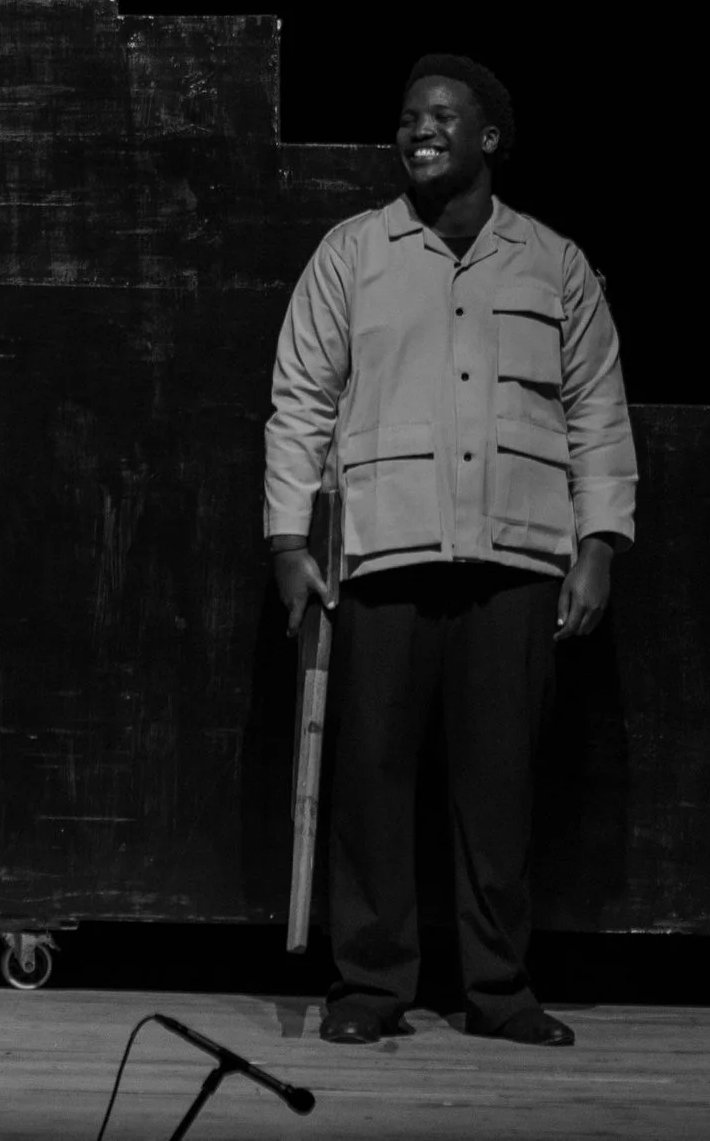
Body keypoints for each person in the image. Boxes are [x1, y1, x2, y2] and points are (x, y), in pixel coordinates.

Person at [264, 54, 636, 1048]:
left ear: (488, 139)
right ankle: (371, 988)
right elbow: (298, 400)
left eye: (440, 118)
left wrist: (599, 541)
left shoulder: (552, 263)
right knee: (370, 784)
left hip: (515, 564)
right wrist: (286, 537)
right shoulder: (353, 253)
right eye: (406, 118)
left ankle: (497, 990)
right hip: (380, 557)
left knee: (498, 788)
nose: (417, 131)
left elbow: (599, 408)